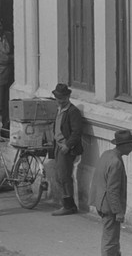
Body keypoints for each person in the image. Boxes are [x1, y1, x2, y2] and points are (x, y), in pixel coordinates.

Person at [89, 129, 132, 256]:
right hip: (109, 207)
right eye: (131, 145)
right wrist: (118, 212)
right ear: (124, 146)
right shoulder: (116, 162)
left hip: (102, 202)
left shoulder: (107, 154)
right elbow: (113, 190)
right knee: (110, 241)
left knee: (111, 239)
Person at [51, 83, 84, 216]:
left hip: (66, 148)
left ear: (68, 97)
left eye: (63, 98)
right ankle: (66, 203)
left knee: (64, 177)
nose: (60, 101)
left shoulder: (73, 111)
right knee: (59, 176)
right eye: (58, 98)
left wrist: (67, 145)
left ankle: (69, 206)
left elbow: (77, 132)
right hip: (59, 146)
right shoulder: (59, 109)